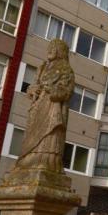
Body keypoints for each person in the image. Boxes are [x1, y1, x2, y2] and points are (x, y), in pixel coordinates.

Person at [15, 39, 74, 173]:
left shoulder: (66, 69)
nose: (50, 50)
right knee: (31, 135)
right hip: (37, 106)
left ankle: (44, 161)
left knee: (49, 136)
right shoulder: (42, 67)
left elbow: (66, 92)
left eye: (54, 48)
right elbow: (33, 86)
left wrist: (52, 90)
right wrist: (32, 89)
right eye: (49, 47)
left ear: (60, 51)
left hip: (52, 107)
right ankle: (28, 159)